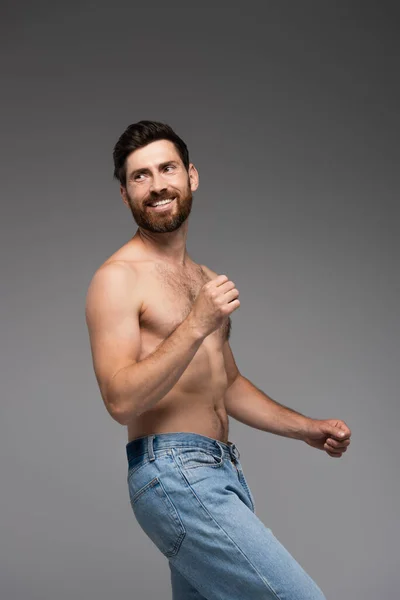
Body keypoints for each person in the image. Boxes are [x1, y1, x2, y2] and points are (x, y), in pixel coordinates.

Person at [85, 120, 351, 599]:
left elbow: (225, 383)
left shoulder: (201, 276)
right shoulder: (118, 278)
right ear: (125, 195)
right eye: (140, 176)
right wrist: (197, 322)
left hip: (221, 470)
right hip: (174, 473)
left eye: (166, 168)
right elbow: (120, 400)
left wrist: (306, 427)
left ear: (191, 176)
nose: (157, 184)